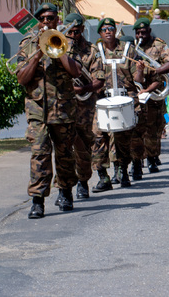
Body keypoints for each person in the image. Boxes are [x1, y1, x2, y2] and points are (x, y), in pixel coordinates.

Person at [15, 3, 82, 219]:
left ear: (57, 20)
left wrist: (59, 50)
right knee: (39, 154)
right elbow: (22, 79)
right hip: (37, 110)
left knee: (64, 154)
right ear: (38, 21)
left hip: (62, 108)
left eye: (51, 18)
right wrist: (37, 54)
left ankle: (65, 193)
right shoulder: (27, 44)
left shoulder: (68, 42)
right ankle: (37, 201)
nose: (46, 22)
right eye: (42, 18)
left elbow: (76, 72)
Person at [91, 18, 144, 192]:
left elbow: (137, 79)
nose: (108, 32)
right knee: (98, 138)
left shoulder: (128, 49)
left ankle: (122, 171)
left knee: (122, 140)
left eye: (111, 28)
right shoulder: (96, 51)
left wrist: (141, 70)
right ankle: (103, 176)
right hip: (102, 101)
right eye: (104, 29)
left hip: (125, 99)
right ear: (100, 33)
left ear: (116, 31)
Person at [64, 13, 105, 200]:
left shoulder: (92, 50)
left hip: (84, 108)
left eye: (77, 30)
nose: (73, 34)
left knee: (83, 148)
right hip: (62, 108)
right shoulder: (57, 47)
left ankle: (82, 181)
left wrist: (81, 89)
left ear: (82, 29)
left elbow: (99, 81)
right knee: (62, 149)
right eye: (70, 31)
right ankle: (64, 189)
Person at [132, 18, 169, 174]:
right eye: (137, 33)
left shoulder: (158, 44)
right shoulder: (132, 47)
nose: (140, 35)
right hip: (137, 94)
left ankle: (151, 159)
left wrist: (154, 70)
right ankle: (136, 162)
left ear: (149, 31)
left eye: (143, 32)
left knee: (154, 130)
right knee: (136, 130)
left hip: (154, 95)